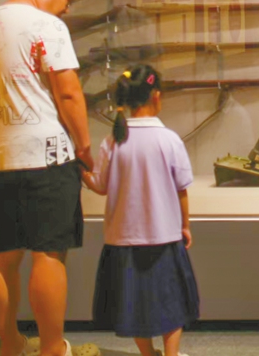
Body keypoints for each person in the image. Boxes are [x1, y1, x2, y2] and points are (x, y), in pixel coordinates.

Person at [0, 0, 98, 356]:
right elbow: (69, 93)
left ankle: (10, 345)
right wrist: (85, 149)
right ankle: (53, 348)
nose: (67, 9)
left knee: (2, 256)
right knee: (48, 253)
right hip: (47, 157)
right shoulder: (47, 26)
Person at [82, 65, 200, 356]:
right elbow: (181, 188)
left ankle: (148, 354)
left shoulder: (113, 140)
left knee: (134, 306)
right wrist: (185, 225)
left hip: (123, 238)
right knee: (172, 302)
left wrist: (79, 167)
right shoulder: (169, 139)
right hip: (164, 236)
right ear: (156, 96)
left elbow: (100, 185)